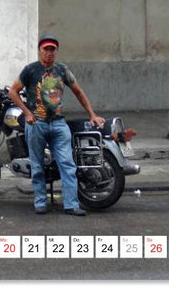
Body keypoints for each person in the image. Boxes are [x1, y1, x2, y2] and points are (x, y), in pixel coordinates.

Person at [7, 34, 105, 216]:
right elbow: (13, 92)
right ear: (40, 51)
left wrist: (92, 114)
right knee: (37, 165)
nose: (49, 53)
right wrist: (27, 112)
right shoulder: (30, 70)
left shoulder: (62, 70)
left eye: (52, 50)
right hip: (36, 124)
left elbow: (78, 91)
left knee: (68, 165)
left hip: (59, 124)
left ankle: (71, 204)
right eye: (46, 49)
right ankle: (40, 202)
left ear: (56, 52)